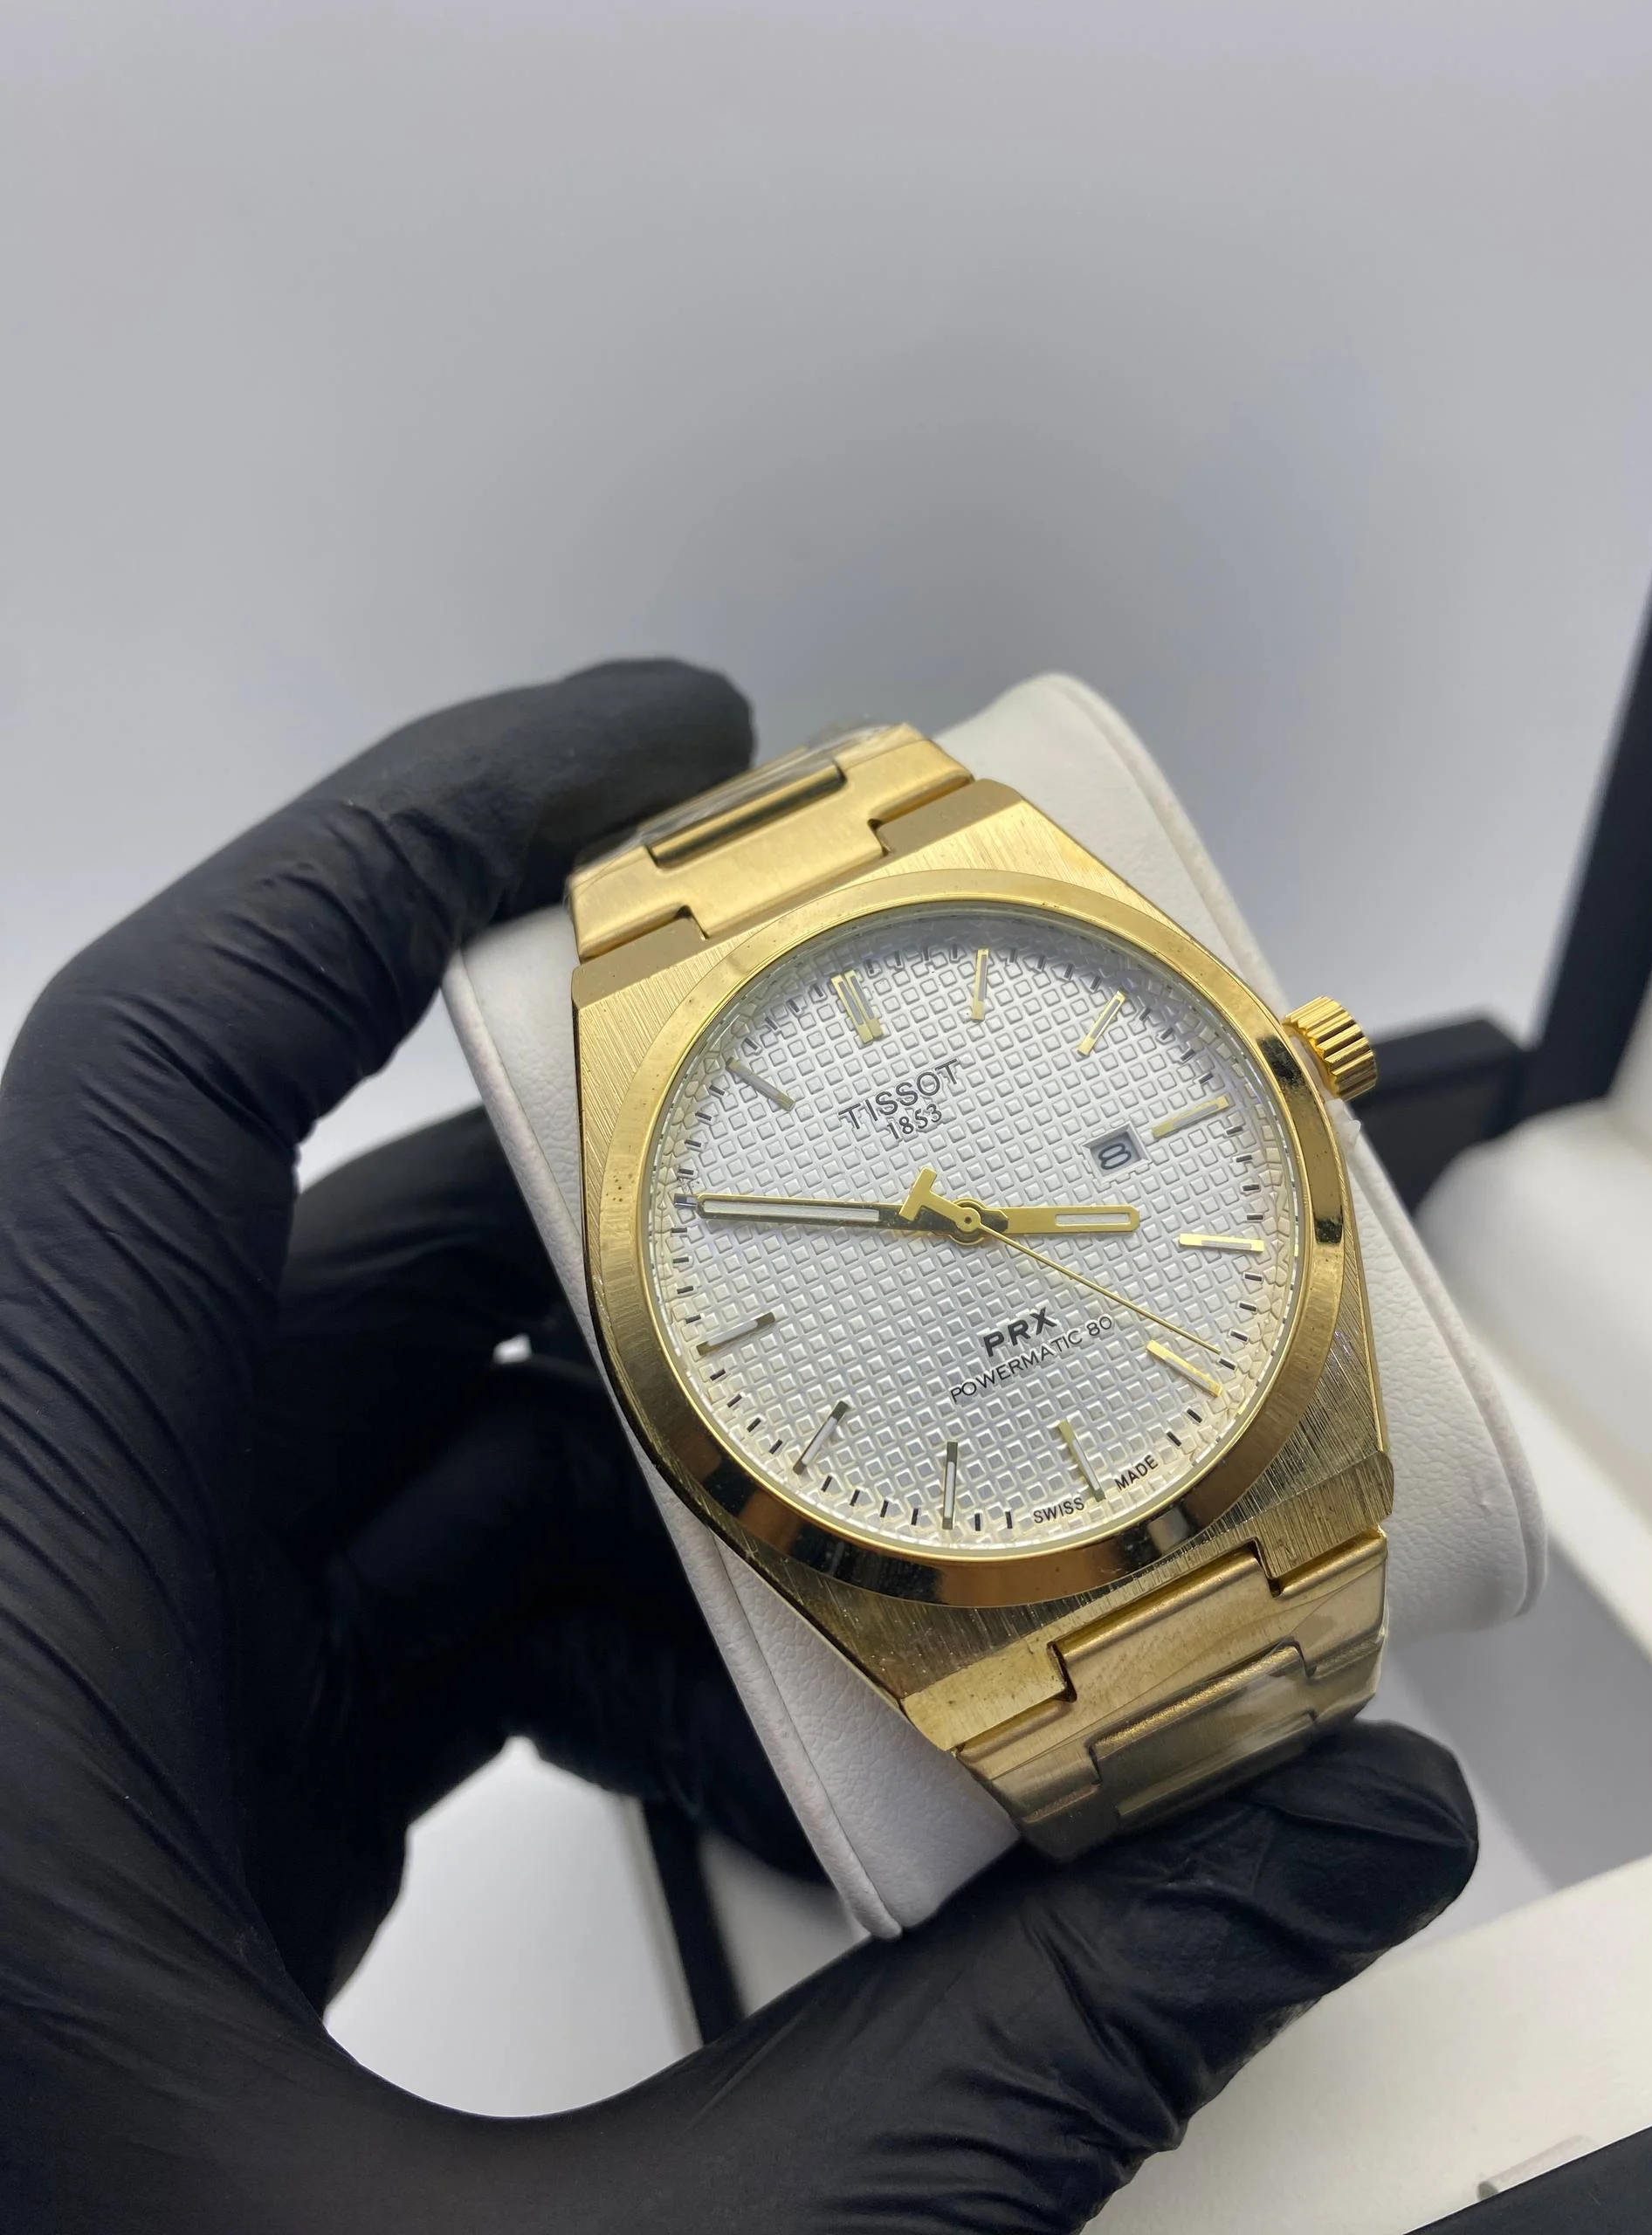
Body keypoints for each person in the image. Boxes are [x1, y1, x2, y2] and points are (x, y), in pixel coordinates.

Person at [0, 659, 1475, 2232]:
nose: (960, 1222)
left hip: (1221, 1433)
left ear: (1301, 1061)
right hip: (952, 1552)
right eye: (938, 1222)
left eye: (964, 1211)